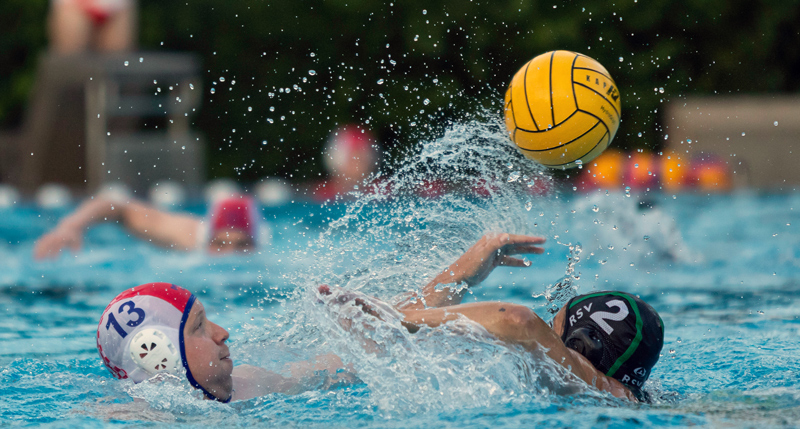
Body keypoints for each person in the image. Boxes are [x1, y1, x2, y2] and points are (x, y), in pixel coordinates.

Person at [97, 234, 663, 403]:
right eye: (200, 327)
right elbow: (383, 342)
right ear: (156, 353)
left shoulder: (603, 395)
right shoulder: (241, 386)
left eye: (556, 323)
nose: (223, 332)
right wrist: (464, 271)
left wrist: (399, 314)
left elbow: (515, 322)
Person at [34, 194, 265, 259]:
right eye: (220, 244)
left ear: (258, 245)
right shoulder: (188, 234)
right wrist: (71, 226)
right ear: (207, 238)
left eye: (242, 245)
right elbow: (117, 205)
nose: (229, 255)